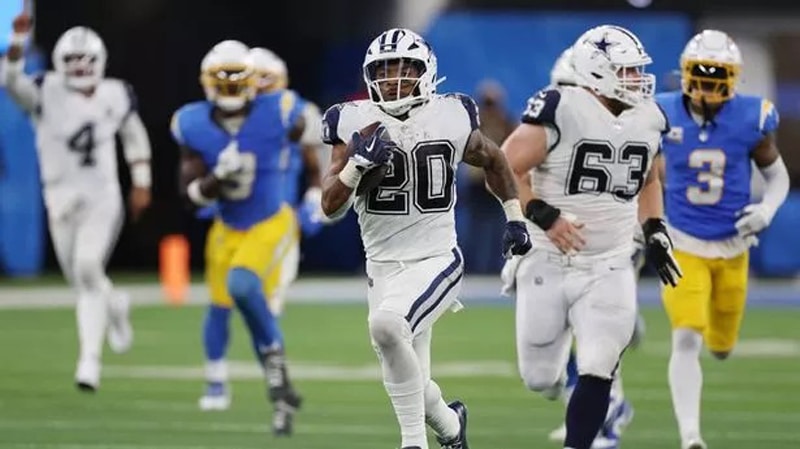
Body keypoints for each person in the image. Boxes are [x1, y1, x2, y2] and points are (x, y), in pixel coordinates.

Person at [320, 28, 532, 449]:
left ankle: (412, 442)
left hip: (436, 257)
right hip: (381, 265)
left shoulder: (450, 114)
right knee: (405, 364)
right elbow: (330, 206)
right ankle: (452, 429)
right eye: (383, 71)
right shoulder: (351, 121)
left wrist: (515, 217)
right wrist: (354, 169)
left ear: (427, 72)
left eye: (403, 69)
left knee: (386, 326)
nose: (393, 80)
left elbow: (494, 158)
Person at [501, 25, 682, 449]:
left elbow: (650, 178)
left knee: (599, 362)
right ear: (597, 72)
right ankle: (589, 389)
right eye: (628, 71)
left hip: (611, 259)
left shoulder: (650, 116)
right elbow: (505, 166)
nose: (639, 80)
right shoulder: (562, 106)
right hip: (548, 255)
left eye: (639, 71)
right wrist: (542, 214)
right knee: (540, 378)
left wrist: (654, 228)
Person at [2, 14, 151, 391]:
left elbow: (133, 136)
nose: (80, 66)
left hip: (101, 195)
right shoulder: (45, 89)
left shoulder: (115, 93)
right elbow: (9, 81)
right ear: (59, 63)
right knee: (83, 281)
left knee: (87, 268)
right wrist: (17, 45)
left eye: (86, 59)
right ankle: (115, 304)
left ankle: (89, 362)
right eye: (72, 60)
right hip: (59, 198)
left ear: (99, 60)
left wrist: (141, 181)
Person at [656, 29, 789, 449]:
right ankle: (690, 435)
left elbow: (777, 176)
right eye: (702, 73)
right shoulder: (661, 113)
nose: (709, 82)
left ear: (734, 77)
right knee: (686, 336)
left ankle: (721, 342)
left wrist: (766, 210)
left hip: (733, 246)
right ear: (686, 73)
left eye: (719, 74)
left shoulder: (752, 117)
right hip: (682, 243)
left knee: (721, 346)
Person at [172, 39, 304, 436]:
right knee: (220, 304)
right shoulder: (191, 123)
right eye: (222, 81)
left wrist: (319, 185)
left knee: (244, 286)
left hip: (269, 220)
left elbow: (319, 134)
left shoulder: (278, 109)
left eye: (236, 81)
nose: (229, 89)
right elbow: (190, 196)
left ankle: (274, 363)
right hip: (226, 226)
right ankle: (252, 380)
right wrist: (215, 180)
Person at [536, 45, 643, 449]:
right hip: (559, 246)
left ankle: (607, 413)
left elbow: (648, 181)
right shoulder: (550, 126)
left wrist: (641, 234)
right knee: (556, 337)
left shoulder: (628, 126)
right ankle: (592, 407)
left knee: (596, 334)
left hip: (608, 245)